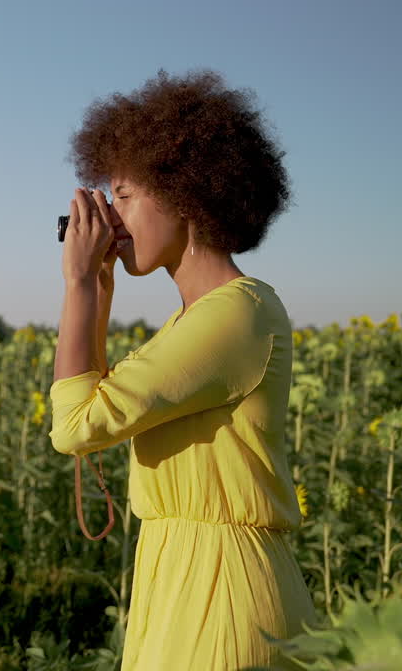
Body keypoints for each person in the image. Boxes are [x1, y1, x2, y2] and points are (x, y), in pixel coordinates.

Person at [49, 70, 316, 670]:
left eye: (122, 194)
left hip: (225, 593)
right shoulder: (193, 322)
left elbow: (75, 425)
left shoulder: (235, 316)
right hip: (181, 577)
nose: (110, 216)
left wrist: (77, 284)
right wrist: (93, 286)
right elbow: (97, 401)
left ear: (185, 193)